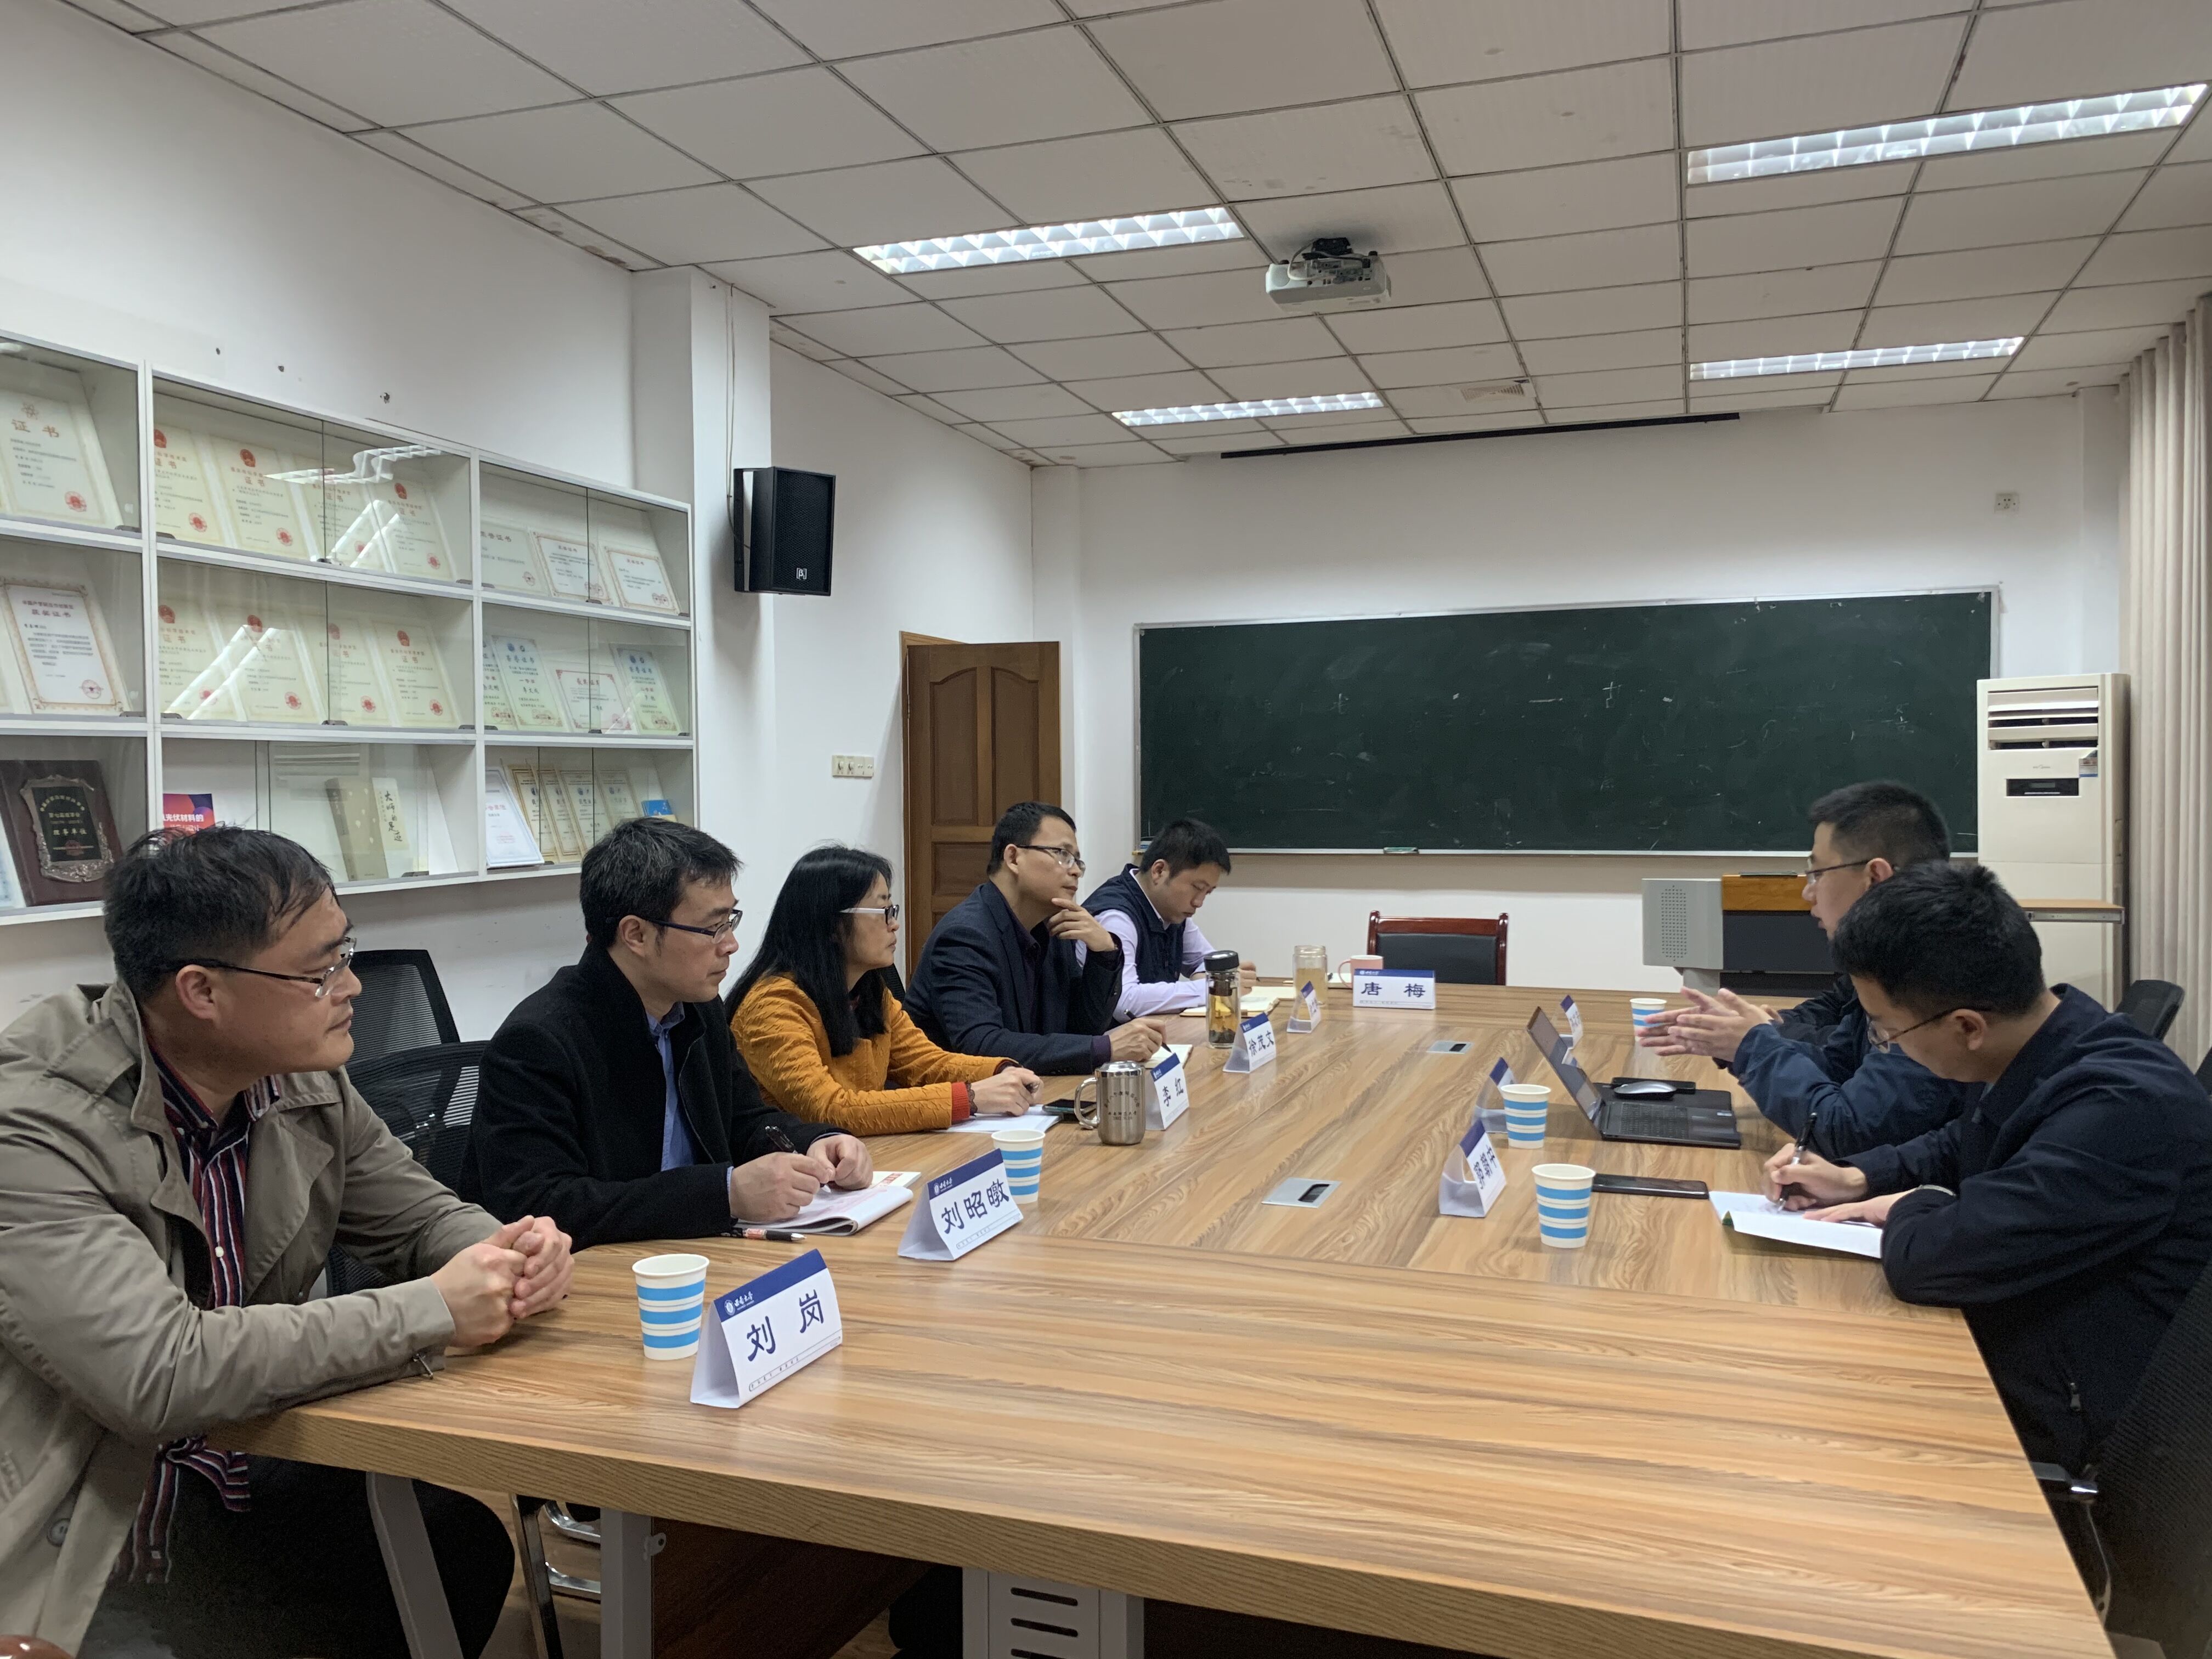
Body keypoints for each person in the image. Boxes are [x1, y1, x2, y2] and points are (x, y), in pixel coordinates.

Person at [0, 827, 571, 1659]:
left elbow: (422, 1220)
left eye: (345, 955)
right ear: (202, 991)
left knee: (455, 1549)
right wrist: (433, 1311)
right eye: (320, 972)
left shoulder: (302, 1080)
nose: (352, 987)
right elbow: (156, 1372)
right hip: (90, 1533)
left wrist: (509, 1252)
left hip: (227, 1468)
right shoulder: (36, 1125)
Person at [1762, 862, 2212, 1470]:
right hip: (2018, 1341)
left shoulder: (2125, 1108)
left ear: (1967, 1027)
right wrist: (1859, 1177)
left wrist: (1915, 1203)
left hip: (2064, 1418)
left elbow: (1930, 1260)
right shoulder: (2043, 1045)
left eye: (1888, 1032)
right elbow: (1965, 1142)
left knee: (1799, 1419)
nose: (1889, 1045)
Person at [465, 817, 873, 1249]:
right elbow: (541, 1206)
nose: (731, 944)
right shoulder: (537, 1042)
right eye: (713, 927)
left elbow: (744, 1120)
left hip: (695, 1249)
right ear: (636, 934)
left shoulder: (698, 1009)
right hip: (596, 1271)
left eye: (731, 920)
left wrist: (818, 1142)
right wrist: (725, 1194)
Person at [1640, 780, 1965, 1156]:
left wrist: (1753, 1045)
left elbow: (1847, 1132)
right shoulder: (1886, 957)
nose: (1807, 893)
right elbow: (1841, 1066)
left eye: (1818, 873)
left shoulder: (1933, 980)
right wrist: (1742, 1038)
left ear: (1874, 877)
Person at [729, 845, 1044, 1135]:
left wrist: (1002, 1070)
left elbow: (925, 1063)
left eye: (893, 911)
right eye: (883, 912)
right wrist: (969, 1098)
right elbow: (829, 1109)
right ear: (833, 925)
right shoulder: (772, 1005)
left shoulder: (870, 994)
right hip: (798, 1167)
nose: (895, 925)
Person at [904, 802, 1164, 1075]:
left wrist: (1105, 954)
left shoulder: (1054, 928)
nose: (1075, 871)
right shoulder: (965, 937)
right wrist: (1105, 1048)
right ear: (1014, 858)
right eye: (1063, 854)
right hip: (953, 1095)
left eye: (1078, 861)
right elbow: (981, 1046)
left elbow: (1082, 1029)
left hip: (1030, 1090)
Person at [1081, 817, 1255, 1019]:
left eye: (1207, 892)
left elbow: (1205, 964)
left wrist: (1217, 979)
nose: (1199, 902)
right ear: (1159, 871)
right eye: (1197, 888)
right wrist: (1213, 987)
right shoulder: (1116, 917)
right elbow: (1123, 1001)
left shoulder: (1172, 913)